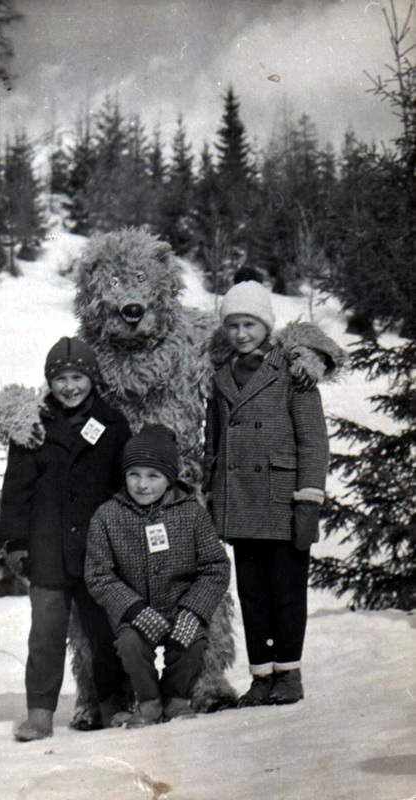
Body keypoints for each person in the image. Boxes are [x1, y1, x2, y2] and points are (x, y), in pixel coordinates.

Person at [0, 336, 131, 740]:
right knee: (46, 635)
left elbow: (124, 483)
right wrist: (16, 543)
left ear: (92, 379)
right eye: (60, 379)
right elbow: (15, 490)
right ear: (49, 382)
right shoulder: (32, 426)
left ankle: (115, 706)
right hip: (47, 551)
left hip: (97, 551)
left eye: (77, 377)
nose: (69, 387)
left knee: (105, 633)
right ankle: (39, 713)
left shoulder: (112, 423)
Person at [203, 281, 329, 707]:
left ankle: (288, 672)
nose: (241, 333)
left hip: (281, 501)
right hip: (239, 502)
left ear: (266, 325)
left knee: (287, 592)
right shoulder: (221, 377)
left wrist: (308, 499)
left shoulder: (294, 371)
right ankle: (261, 676)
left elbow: (313, 440)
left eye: (250, 324)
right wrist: (212, 493)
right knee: (252, 593)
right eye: (233, 325)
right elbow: (213, 442)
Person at [85, 425, 231, 728]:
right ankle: (149, 701)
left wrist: (193, 609)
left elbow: (215, 566)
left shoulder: (191, 513)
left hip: (181, 607)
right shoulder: (107, 516)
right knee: (129, 644)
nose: (142, 485)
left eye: (154, 476)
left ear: (170, 479)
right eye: (134, 475)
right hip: (136, 611)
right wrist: (132, 609)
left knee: (191, 643)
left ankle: (175, 697)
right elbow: (98, 574)